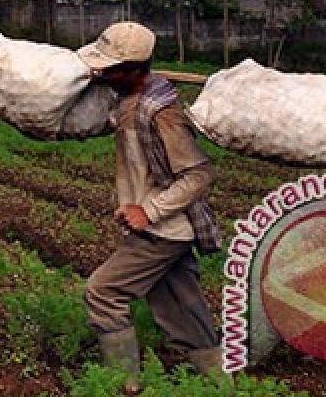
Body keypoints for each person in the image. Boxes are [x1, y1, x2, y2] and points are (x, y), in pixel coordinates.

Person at [77, 21, 226, 393]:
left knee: (103, 292)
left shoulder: (162, 113)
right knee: (183, 309)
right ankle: (219, 383)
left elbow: (200, 174)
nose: (103, 74)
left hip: (162, 231)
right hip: (163, 230)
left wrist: (149, 210)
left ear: (132, 70)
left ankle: (122, 384)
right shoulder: (130, 98)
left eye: (110, 69)